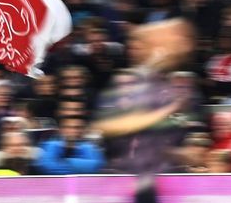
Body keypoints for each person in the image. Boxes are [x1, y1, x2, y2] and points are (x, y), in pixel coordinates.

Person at [93, 18, 195, 203]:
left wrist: (180, 153)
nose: (183, 44)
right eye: (176, 37)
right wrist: (167, 111)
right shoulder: (126, 82)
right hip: (127, 178)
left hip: (161, 179)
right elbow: (109, 125)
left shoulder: (169, 86)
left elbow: (158, 138)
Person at [37, 115, 104, 174]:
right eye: (68, 127)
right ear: (60, 130)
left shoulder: (88, 147)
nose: (73, 131)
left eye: (77, 127)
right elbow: (48, 167)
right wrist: (81, 166)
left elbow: (95, 167)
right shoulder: (51, 145)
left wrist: (65, 162)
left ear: (83, 131)